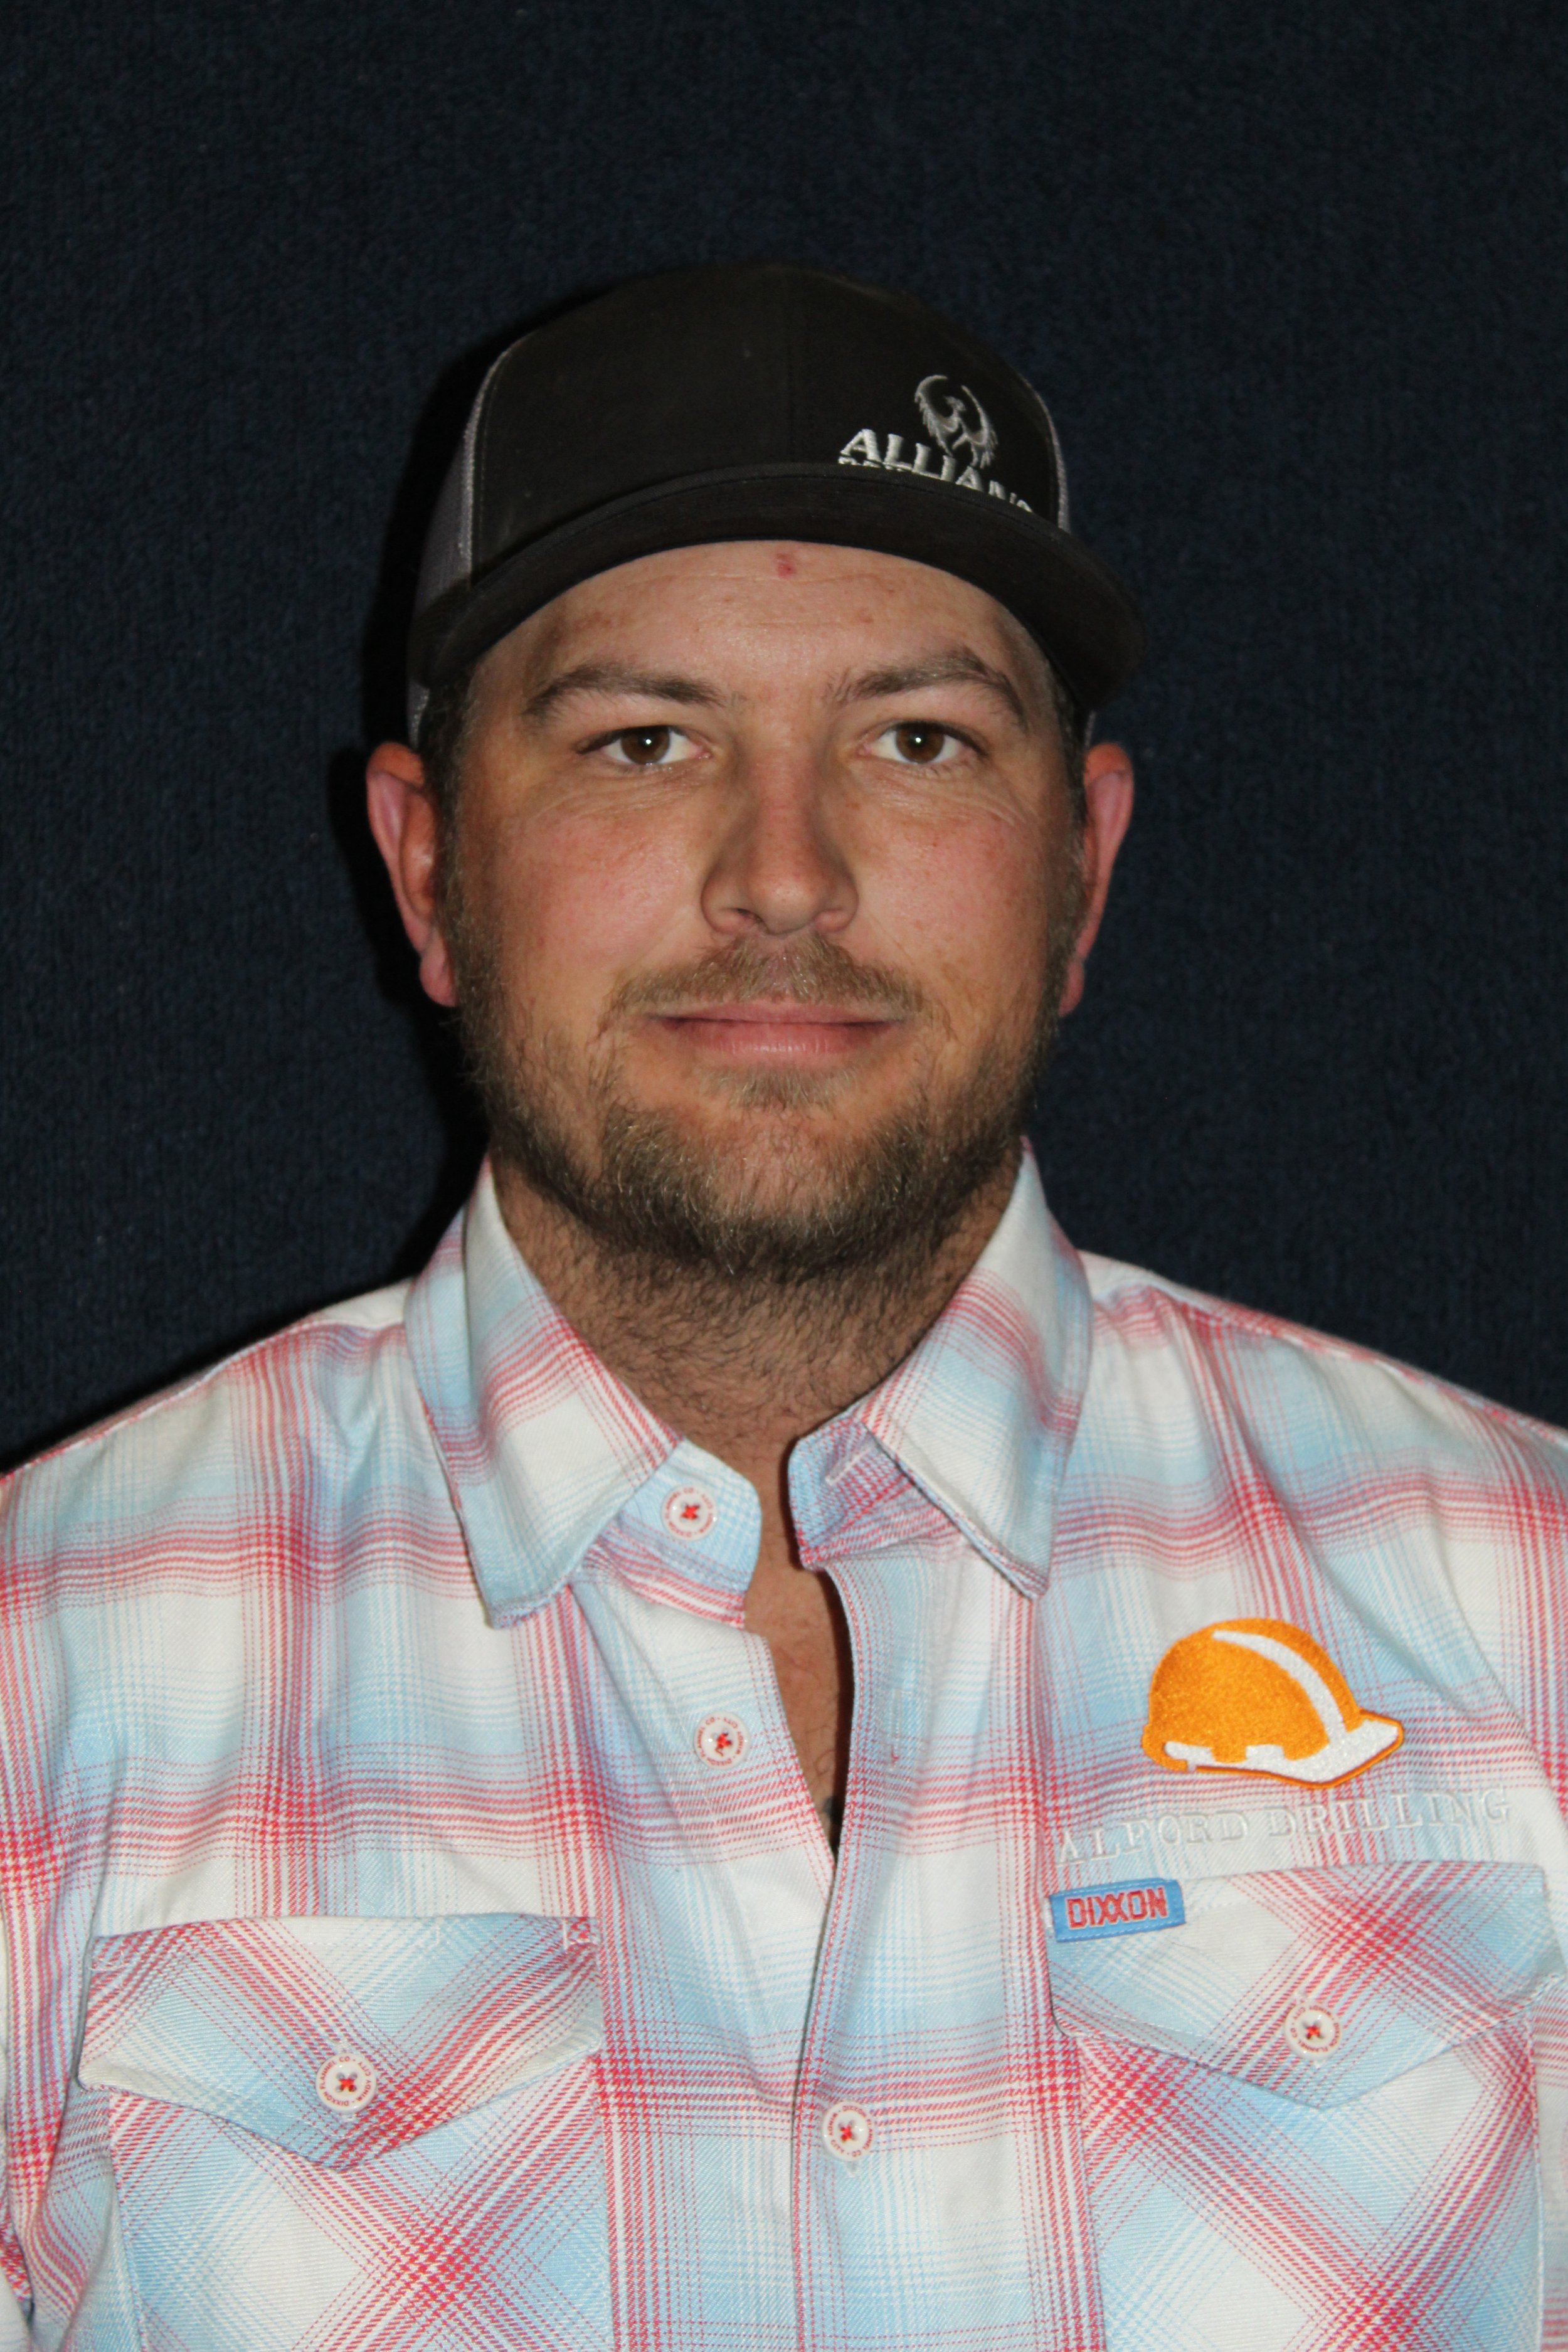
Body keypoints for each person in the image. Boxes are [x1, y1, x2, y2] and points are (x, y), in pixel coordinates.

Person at [1, 261, 1565, 2352]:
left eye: (917, 740)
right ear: (427, 868)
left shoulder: (1523, 1607)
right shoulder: (45, 1680)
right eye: (642, 742)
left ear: (1083, 868)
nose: (784, 875)